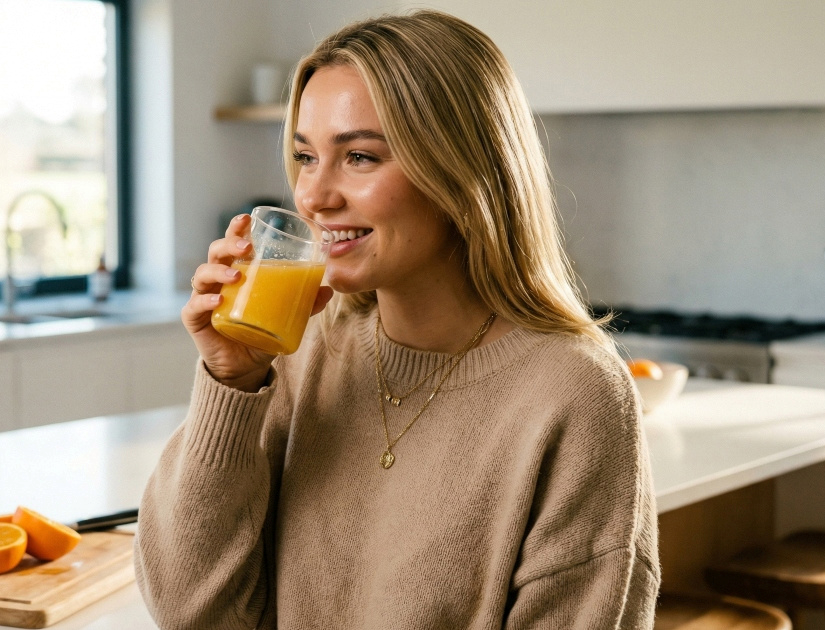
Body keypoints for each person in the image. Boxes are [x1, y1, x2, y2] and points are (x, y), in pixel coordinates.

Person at [134, 9, 659, 629]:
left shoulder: (573, 393)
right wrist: (231, 382)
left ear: (462, 171)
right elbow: (189, 611)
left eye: (358, 157)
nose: (313, 196)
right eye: (306, 157)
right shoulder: (302, 349)